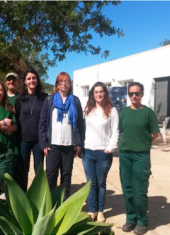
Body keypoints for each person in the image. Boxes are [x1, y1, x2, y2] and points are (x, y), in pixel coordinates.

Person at [119, 82, 160, 235]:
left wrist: (145, 141)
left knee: (140, 189)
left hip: (141, 156)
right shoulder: (123, 112)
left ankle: (142, 220)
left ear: (142, 94)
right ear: (128, 95)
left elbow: (155, 133)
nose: (134, 96)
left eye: (136, 93)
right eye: (131, 94)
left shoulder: (148, 113)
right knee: (127, 188)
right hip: (125, 155)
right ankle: (131, 218)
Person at [39, 72, 84, 200]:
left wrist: (79, 143)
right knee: (51, 175)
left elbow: (80, 124)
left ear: (70, 84)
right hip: (53, 145)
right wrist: (43, 143)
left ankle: (64, 204)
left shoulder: (75, 101)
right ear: (57, 84)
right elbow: (42, 123)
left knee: (66, 175)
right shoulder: (49, 100)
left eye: (66, 81)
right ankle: (49, 203)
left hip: (69, 145)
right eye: (61, 81)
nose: (64, 84)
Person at [82, 82, 119, 222]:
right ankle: (92, 210)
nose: (99, 94)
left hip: (103, 152)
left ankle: (100, 210)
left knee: (101, 182)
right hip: (88, 152)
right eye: (96, 92)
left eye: (101, 91)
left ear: (105, 93)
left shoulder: (112, 110)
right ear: (93, 94)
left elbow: (115, 131)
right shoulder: (87, 110)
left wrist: (110, 148)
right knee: (90, 183)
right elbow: (82, 129)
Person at [15, 68, 47, 191]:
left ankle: (38, 195)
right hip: (23, 140)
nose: (32, 80)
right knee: (23, 170)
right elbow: (16, 117)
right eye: (29, 78)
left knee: (39, 171)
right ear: (25, 81)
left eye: (34, 78)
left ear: (37, 80)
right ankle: (23, 195)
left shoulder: (44, 98)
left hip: (39, 140)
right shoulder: (19, 98)